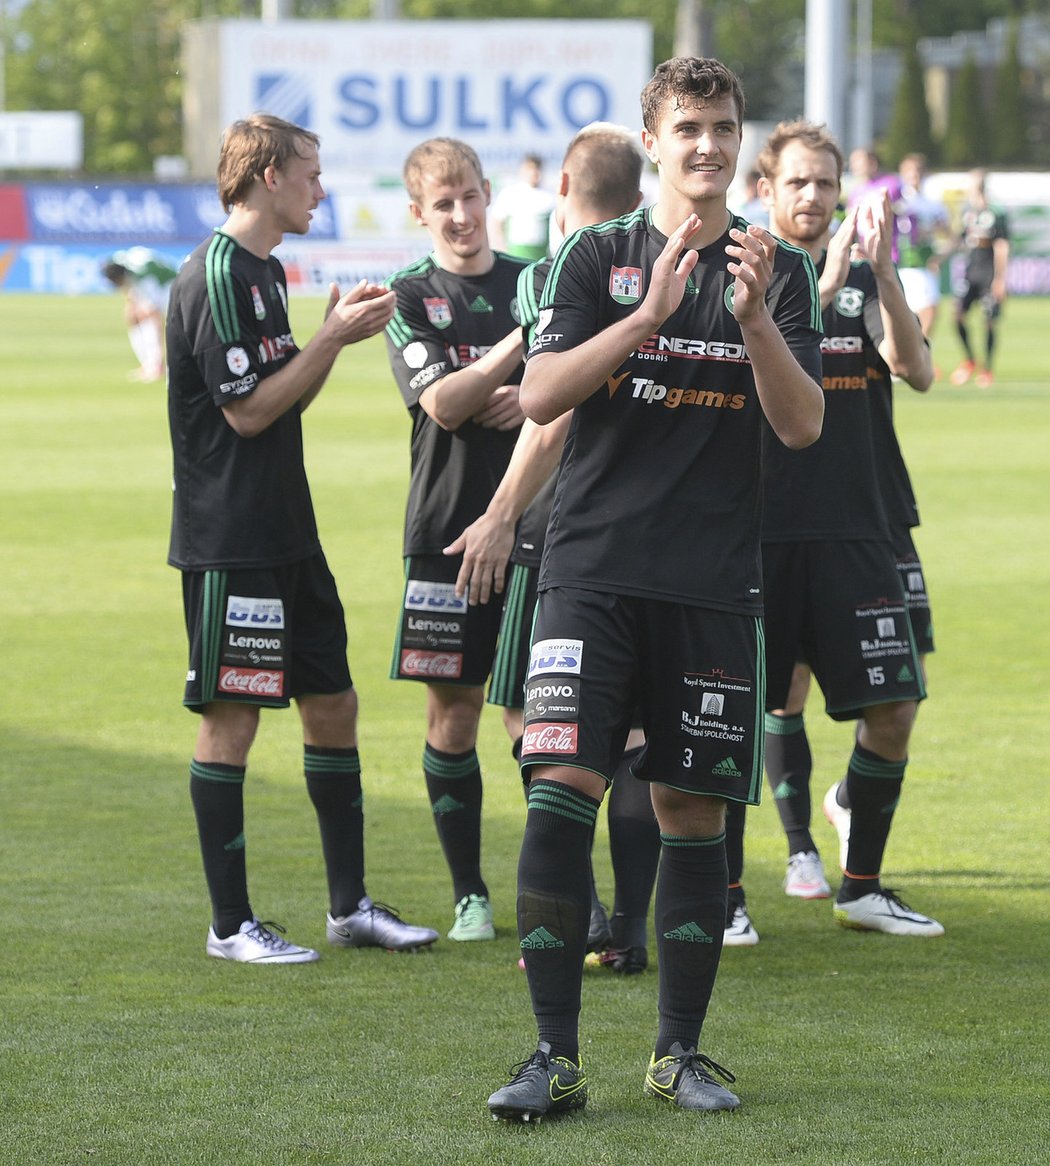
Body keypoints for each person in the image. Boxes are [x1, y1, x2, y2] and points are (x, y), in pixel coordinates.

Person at [486, 57, 824, 1123]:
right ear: (654, 138)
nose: (710, 146)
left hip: (715, 585)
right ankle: (554, 1056)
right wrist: (647, 320)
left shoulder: (781, 269)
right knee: (559, 792)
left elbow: (803, 424)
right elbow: (538, 390)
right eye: (689, 128)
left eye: (724, 127)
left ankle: (680, 1053)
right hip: (589, 571)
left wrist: (757, 316)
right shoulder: (595, 254)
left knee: (690, 813)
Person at [165, 113, 438, 964]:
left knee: (333, 703)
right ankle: (228, 925)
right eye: (312, 173)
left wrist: (322, 340)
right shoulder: (215, 273)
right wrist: (330, 338)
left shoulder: (266, 271)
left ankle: (349, 906)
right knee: (232, 720)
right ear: (267, 175)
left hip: (289, 532)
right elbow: (247, 415)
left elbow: (280, 395)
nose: (322, 189)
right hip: (231, 539)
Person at [443, 122, 659, 972]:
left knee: (532, 717)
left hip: (558, 535)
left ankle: (578, 910)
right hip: (654, 529)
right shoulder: (674, 266)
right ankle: (630, 928)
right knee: (639, 731)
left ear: (563, 182)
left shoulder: (559, 272)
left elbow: (553, 407)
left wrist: (500, 511)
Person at [735, 118, 942, 942]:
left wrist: (882, 273)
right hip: (761, 528)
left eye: (826, 182)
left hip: (860, 524)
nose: (815, 196)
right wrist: (822, 282)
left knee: (893, 706)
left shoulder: (864, 278)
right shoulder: (746, 271)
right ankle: (735, 890)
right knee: (741, 707)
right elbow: (776, 350)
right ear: (767, 190)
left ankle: (862, 887)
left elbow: (917, 370)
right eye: (798, 183)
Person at [383, 138, 528, 943]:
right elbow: (442, 404)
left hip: (537, 527)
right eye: (444, 204)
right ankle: (470, 891)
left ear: (487, 193)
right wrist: (515, 358)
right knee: (455, 707)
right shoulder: (410, 296)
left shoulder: (531, 281)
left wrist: (518, 390)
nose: (462, 215)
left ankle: (564, 889)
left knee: (538, 711)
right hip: (443, 531)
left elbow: (573, 386)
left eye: (470, 196)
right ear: (420, 213)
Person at [950, 168, 1010, 388]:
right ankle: (969, 360)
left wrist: (1000, 278)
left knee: (989, 320)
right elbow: (958, 239)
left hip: (989, 273)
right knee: (957, 315)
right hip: (970, 271)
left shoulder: (996, 212)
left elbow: (1002, 245)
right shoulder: (968, 211)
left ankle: (987, 369)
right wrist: (939, 257)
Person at [895, 153, 951, 342]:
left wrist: (939, 257)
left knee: (928, 312)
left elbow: (951, 236)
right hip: (904, 264)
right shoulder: (899, 203)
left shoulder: (933, 205)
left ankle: (918, 354)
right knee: (924, 312)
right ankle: (917, 355)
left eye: (918, 171)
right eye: (909, 172)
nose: (914, 176)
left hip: (923, 265)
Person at [102, 246, 179, 382]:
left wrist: (160, 350)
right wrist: (131, 305)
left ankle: (157, 365)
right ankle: (146, 364)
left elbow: (155, 314)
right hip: (147, 281)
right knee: (133, 317)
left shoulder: (145, 277)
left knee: (148, 319)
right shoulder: (118, 261)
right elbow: (126, 287)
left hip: (169, 286)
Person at [489, 153, 557, 261]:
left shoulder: (550, 198)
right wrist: (502, 249)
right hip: (514, 254)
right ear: (522, 170)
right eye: (530, 169)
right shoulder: (510, 194)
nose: (533, 173)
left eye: (537, 169)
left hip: (540, 258)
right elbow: (497, 224)